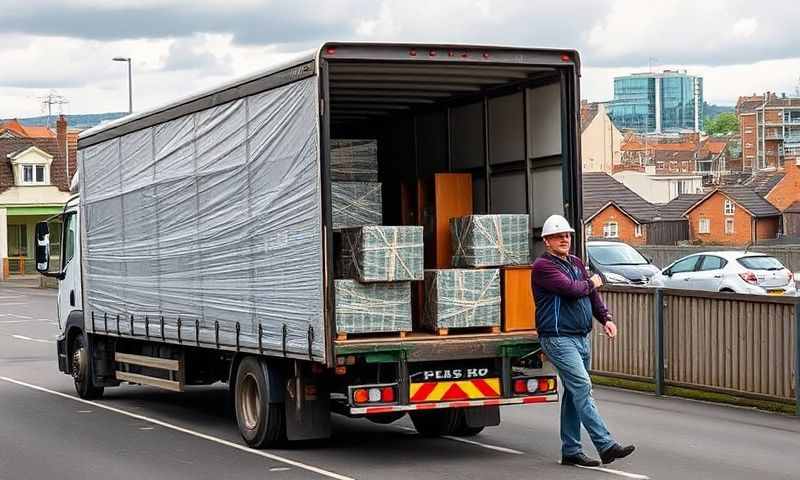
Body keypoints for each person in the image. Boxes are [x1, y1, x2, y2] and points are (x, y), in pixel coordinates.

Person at [531, 214, 635, 467]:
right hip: (557, 338)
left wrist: (606, 318)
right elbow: (572, 290)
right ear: (547, 241)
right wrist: (591, 282)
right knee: (582, 388)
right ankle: (606, 445)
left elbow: (591, 296)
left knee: (573, 394)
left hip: (580, 337)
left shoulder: (576, 262)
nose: (565, 240)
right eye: (558, 236)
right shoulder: (543, 267)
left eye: (567, 235)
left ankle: (571, 450)